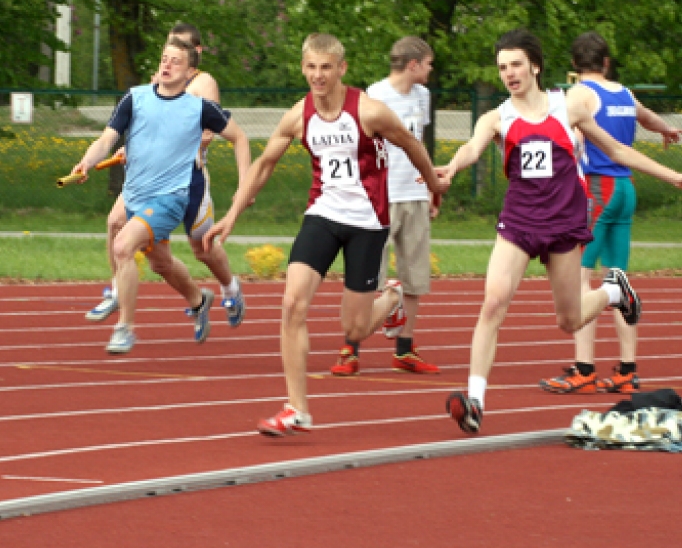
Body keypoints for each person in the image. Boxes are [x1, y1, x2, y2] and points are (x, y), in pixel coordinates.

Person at [436, 29, 682, 435]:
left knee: (569, 321)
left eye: (515, 64)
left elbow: (617, 151)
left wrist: (674, 177)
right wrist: (452, 167)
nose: (509, 74)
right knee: (493, 303)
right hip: (519, 223)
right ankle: (475, 400)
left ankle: (614, 292)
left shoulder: (569, 108)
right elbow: (472, 148)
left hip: (565, 224)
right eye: (501, 67)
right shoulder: (497, 117)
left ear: (534, 65)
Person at [204, 33, 450, 437]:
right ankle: (296, 407)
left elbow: (411, 144)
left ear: (341, 69)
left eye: (325, 68)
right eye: (311, 67)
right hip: (323, 213)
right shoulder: (299, 115)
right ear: (303, 68)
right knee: (292, 303)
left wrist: (433, 187)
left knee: (353, 329)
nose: (317, 76)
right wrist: (231, 216)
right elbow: (264, 165)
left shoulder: (370, 112)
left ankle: (391, 299)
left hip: (368, 222)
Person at [71, 37, 250, 354]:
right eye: (164, 59)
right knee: (161, 264)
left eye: (176, 61)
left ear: (189, 72)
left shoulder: (199, 108)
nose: (167, 65)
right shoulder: (135, 98)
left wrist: (244, 184)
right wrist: (87, 161)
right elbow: (106, 140)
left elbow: (240, 137)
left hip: (171, 198)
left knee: (124, 246)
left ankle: (125, 327)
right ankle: (199, 301)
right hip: (137, 195)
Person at [540, 32, 682, 395]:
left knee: (579, 278)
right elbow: (648, 117)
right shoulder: (623, 93)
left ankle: (584, 368)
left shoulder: (578, 95)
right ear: (606, 62)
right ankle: (627, 369)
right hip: (625, 189)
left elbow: (558, 130)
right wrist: (667, 129)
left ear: (575, 65)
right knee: (618, 280)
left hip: (597, 188)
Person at [335, 36, 439, 376]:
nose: (431, 70)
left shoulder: (423, 96)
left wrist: (430, 187)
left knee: (415, 274)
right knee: (368, 275)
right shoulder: (375, 95)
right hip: (379, 196)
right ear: (413, 64)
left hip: (414, 193)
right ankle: (351, 348)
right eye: (428, 63)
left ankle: (405, 348)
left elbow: (418, 144)